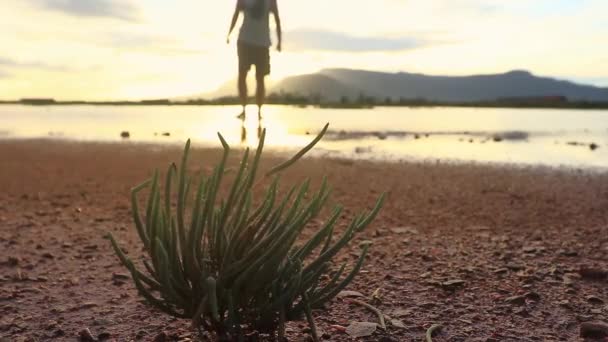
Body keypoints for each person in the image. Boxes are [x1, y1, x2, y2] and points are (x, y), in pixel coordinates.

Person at [227, 0, 282, 120]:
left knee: (260, 78)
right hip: (244, 41)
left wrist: (279, 41)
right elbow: (236, 14)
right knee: (242, 75)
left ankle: (259, 110)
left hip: (262, 43)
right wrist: (229, 33)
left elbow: (277, 18)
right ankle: (243, 109)